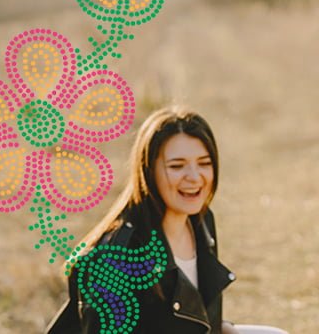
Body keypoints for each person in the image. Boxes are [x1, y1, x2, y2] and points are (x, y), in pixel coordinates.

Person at [46, 106, 242, 334]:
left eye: (204, 163)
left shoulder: (201, 222)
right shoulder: (114, 261)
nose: (194, 177)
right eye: (177, 166)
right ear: (148, 171)